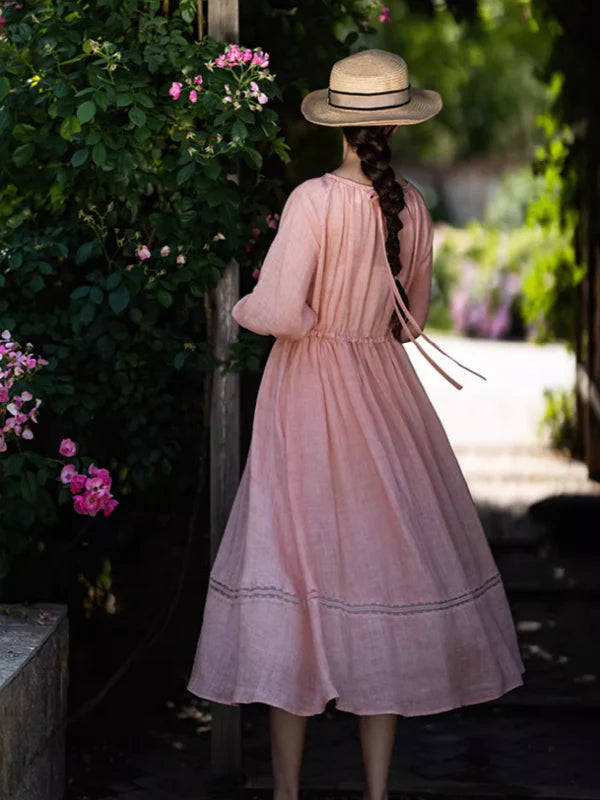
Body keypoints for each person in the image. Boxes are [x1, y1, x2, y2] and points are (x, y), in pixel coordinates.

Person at [187, 49, 525, 800]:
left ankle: (286, 792)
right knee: (384, 573)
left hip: (307, 396)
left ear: (336, 123)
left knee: (292, 570)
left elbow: (276, 310)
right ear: (398, 125)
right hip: (384, 399)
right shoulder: (412, 204)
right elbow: (413, 324)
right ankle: (376, 792)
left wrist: (252, 311)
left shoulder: (311, 201)